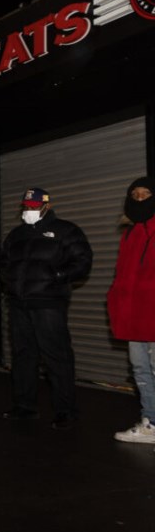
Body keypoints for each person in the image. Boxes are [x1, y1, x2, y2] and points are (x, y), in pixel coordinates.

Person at [0, 187, 93, 430]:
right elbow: (3, 262)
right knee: (23, 356)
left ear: (46, 206)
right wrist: (6, 280)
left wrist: (58, 275)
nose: (28, 210)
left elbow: (82, 261)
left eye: (34, 206)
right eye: (25, 206)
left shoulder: (66, 231)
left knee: (56, 356)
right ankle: (24, 406)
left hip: (49, 303)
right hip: (19, 304)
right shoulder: (16, 235)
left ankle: (66, 411)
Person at [107, 177, 155, 444]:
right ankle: (151, 422)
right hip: (134, 313)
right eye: (134, 195)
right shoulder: (130, 234)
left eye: (146, 194)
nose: (140, 199)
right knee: (140, 370)